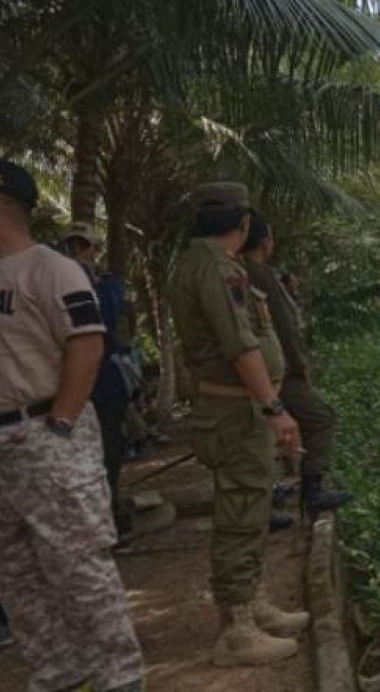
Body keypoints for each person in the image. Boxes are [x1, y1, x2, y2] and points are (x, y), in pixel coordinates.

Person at [0, 161, 144, 691]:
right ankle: (58, 672)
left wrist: (58, 425)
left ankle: (117, 677)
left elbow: (87, 344)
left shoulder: (51, 269)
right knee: (15, 572)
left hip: (43, 430)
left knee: (78, 562)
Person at [167, 182, 309, 667]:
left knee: (251, 509)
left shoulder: (206, 262)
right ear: (243, 223)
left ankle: (252, 602)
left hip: (238, 409)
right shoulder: (216, 267)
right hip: (236, 410)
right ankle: (236, 630)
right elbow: (240, 344)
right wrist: (274, 408)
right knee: (240, 513)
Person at [241, 212, 352, 518]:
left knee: (262, 435)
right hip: (277, 371)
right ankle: (312, 490)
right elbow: (284, 329)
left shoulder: (245, 272)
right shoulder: (260, 276)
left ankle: (270, 496)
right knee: (321, 418)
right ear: (266, 241)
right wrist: (298, 366)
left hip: (258, 370)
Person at [60, 222, 134, 540]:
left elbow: (112, 320)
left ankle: (112, 520)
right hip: (72, 389)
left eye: (84, 247)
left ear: (94, 250)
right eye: (72, 247)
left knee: (109, 456)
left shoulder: (106, 286)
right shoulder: (54, 281)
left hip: (106, 385)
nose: (79, 253)